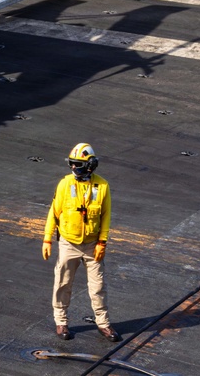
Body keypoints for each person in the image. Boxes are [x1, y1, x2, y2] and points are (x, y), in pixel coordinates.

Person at [42, 143, 121, 343]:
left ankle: (103, 323)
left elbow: (106, 216)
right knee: (63, 283)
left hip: (92, 245)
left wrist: (102, 242)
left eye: (77, 164)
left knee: (98, 286)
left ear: (90, 165)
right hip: (69, 243)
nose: (73, 167)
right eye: (72, 164)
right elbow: (54, 212)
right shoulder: (65, 184)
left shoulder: (102, 186)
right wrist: (47, 238)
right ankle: (61, 321)